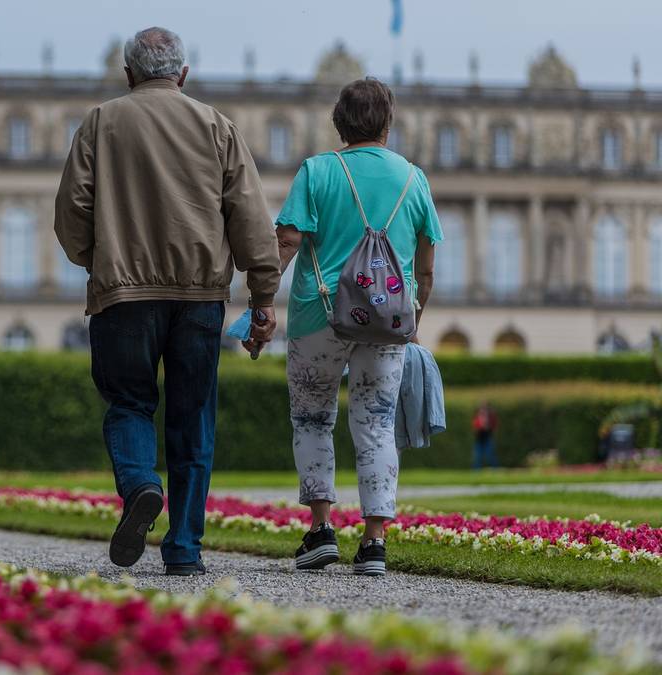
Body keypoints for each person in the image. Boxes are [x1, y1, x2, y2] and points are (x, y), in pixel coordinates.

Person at [55, 26, 281, 576]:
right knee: (192, 417)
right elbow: (250, 220)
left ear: (129, 74)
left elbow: (70, 214)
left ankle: (138, 487)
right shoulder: (216, 125)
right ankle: (183, 548)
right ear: (183, 74)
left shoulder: (101, 122)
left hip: (123, 295)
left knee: (129, 403)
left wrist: (100, 260)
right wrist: (263, 296)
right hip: (199, 296)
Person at [246, 77, 441, 576]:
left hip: (319, 315)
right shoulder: (413, 178)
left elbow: (286, 243)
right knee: (376, 425)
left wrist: (262, 302)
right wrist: (411, 320)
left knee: (312, 420)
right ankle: (374, 544)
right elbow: (426, 266)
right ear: (388, 123)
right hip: (388, 321)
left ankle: (320, 531)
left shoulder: (317, 171)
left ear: (338, 122)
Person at [472, 402, 499, 469]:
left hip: (487, 438)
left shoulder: (490, 417)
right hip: (479, 439)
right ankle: (476, 471)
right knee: (477, 456)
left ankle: (495, 469)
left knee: (490, 455)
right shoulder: (477, 417)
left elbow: (494, 426)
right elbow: (475, 427)